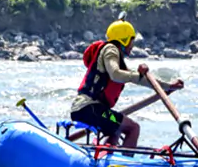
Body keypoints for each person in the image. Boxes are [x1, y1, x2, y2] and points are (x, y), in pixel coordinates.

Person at [70, 19, 180, 150]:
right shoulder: (111, 50)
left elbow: (140, 79)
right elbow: (115, 74)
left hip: (91, 109)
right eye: (131, 41)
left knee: (116, 129)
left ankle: (106, 160)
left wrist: (167, 86)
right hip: (90, 109)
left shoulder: (115, 55)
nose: (132, 45)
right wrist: (136, 75)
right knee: (133, 128)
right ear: (124, 39)